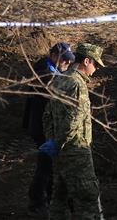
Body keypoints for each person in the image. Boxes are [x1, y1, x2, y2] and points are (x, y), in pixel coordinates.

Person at [41, 43, 106, 220]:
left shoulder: (59, 79)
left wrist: (52, 140)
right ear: (86, 61)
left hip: (59, 152)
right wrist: (59, 141)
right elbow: (73, 121)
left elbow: (47, 115)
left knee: (59, 199)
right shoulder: (78, 84)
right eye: (96, 64)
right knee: (88, 198)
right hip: (77, 151)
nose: (96, 69)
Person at [23, 43, 74, 217]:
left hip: (45, 125)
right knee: (46, 166)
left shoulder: (52, 69)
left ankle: (48, 198)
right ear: (53, 55)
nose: (67, 63)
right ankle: (37, 202)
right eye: (65, 60)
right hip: (42, 127)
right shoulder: (46, 73)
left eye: (69, 61)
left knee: (48, 166)